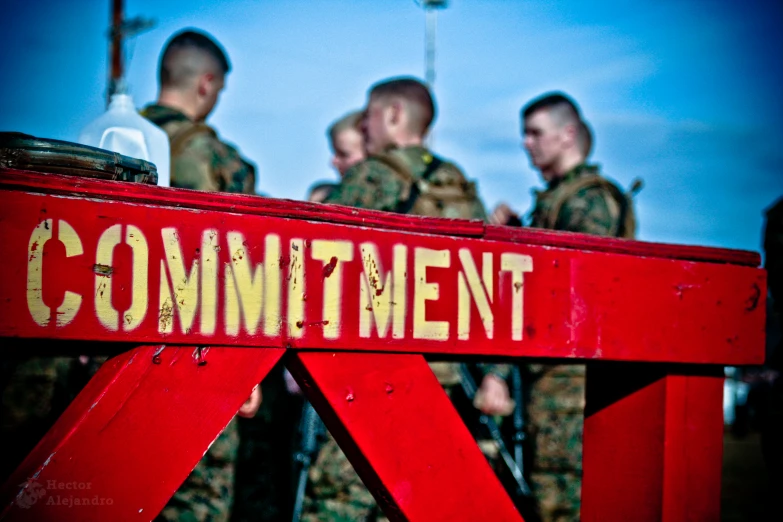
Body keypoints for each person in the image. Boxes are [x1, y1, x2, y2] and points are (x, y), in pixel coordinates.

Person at [301, 77, 513, 521]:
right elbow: (493, 286)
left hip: (379, 376)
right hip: (445, 383)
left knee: (338, 500)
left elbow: (314, 256)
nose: (365, 128)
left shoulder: (376, 175)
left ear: (394, 115)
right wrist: (496, 372)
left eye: (370, 116)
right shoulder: (461, 187)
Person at [136, 28, 260, 522]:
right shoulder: (219, 160)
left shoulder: (107, 141)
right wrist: (246, 364)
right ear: (206, 84)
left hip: (106, 355)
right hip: (195, 361)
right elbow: (245, 265)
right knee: (193, 501)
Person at [494, 92, 634, 522]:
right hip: (550, 378)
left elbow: (574, 290)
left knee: (560, 500)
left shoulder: (589, 201)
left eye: (536, 133)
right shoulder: (561, 199)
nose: (526, 143)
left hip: (571, 384)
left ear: (567, 134)